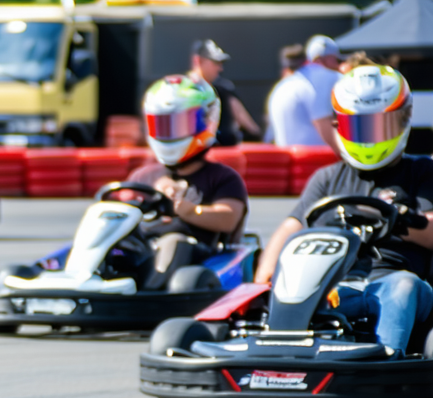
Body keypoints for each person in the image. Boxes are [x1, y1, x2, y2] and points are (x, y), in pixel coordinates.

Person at [253, 66, 433, 356]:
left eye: (379, 126)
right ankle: (277, 353)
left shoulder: (422, 172)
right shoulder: (327, 178)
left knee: (402, 285)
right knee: (295, 293)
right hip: (337, 287)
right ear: (342, 125)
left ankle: (385, 357)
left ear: (403, 119)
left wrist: (394, 218)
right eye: (360, 127)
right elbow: (291, 229)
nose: (370, 136)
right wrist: (263, 280)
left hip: (398, 284)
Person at [126, 76, 248, 290]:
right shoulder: (142, 176)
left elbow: (228, 218)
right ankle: (77, 277)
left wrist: (188, 211)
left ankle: (153, 292)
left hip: (194, 252)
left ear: (206, 121)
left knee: (174, 241)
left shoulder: (222, 177)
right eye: (163, 125)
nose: (170, 133)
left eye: (178, 125)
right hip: (141, 247)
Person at [267, 35, 343, 151]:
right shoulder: (324, 77)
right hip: (316, 163)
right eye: (336, 60)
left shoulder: (284, 85)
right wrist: (347, 157)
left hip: (293, 163)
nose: (339, 65)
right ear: (319, 61)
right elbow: (322, 123)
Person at [189, 39, 261, 145]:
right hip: (197, 155)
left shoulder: (223, 90)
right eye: (215, 62)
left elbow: (251, 129)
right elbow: (250, 127)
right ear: (198, 61)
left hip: (221, 154)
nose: (220, 68)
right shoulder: (182, 92)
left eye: (221, 63)